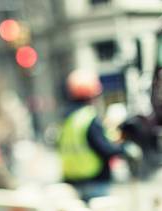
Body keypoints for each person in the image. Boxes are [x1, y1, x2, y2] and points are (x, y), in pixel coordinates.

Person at [58, 69, 141, 201]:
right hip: (95, 182)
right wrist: (124, 148)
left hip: (73, 183)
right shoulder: (87, 118)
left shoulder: (68, 119)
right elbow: (104, 148)